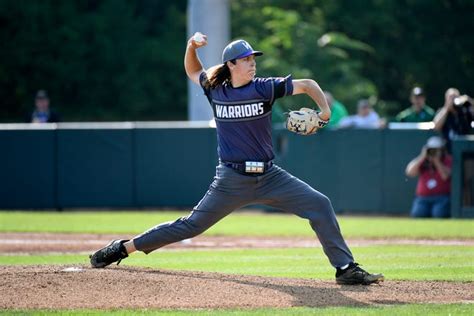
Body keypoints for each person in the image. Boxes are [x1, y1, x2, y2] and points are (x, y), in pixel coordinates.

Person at [89, 34, 384, 285]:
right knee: (191, 225)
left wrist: (325, 113)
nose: (252, 63)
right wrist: (191, 47)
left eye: (253, 58)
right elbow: (194, 71)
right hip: (231, 179)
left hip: (270, 177)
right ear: (231, 64)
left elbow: (307, 84)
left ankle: (345, 269)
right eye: (246, 59)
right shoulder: (215, 88)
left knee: (320, 204)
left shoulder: (264, 87)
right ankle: (123, 248)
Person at [405, 136, 452, 218]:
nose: (433, 152)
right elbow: (409, 172)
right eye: (431, 149)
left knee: (439, 214)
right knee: (418, 214)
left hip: (441, 198)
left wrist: (437, 161)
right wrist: (422, 156)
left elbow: (445, 176)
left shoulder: (447, 160)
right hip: (423, 199)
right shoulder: (423, 161)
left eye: (436, 149)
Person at [433, 88, 473, 152]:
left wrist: (469, 101)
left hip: (464, 148)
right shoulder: (442, 112)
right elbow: (436, 126)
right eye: (451, 98)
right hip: (447, 148)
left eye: (455, 97)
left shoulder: (464, 112)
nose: (453, 100)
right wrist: (447, 108)